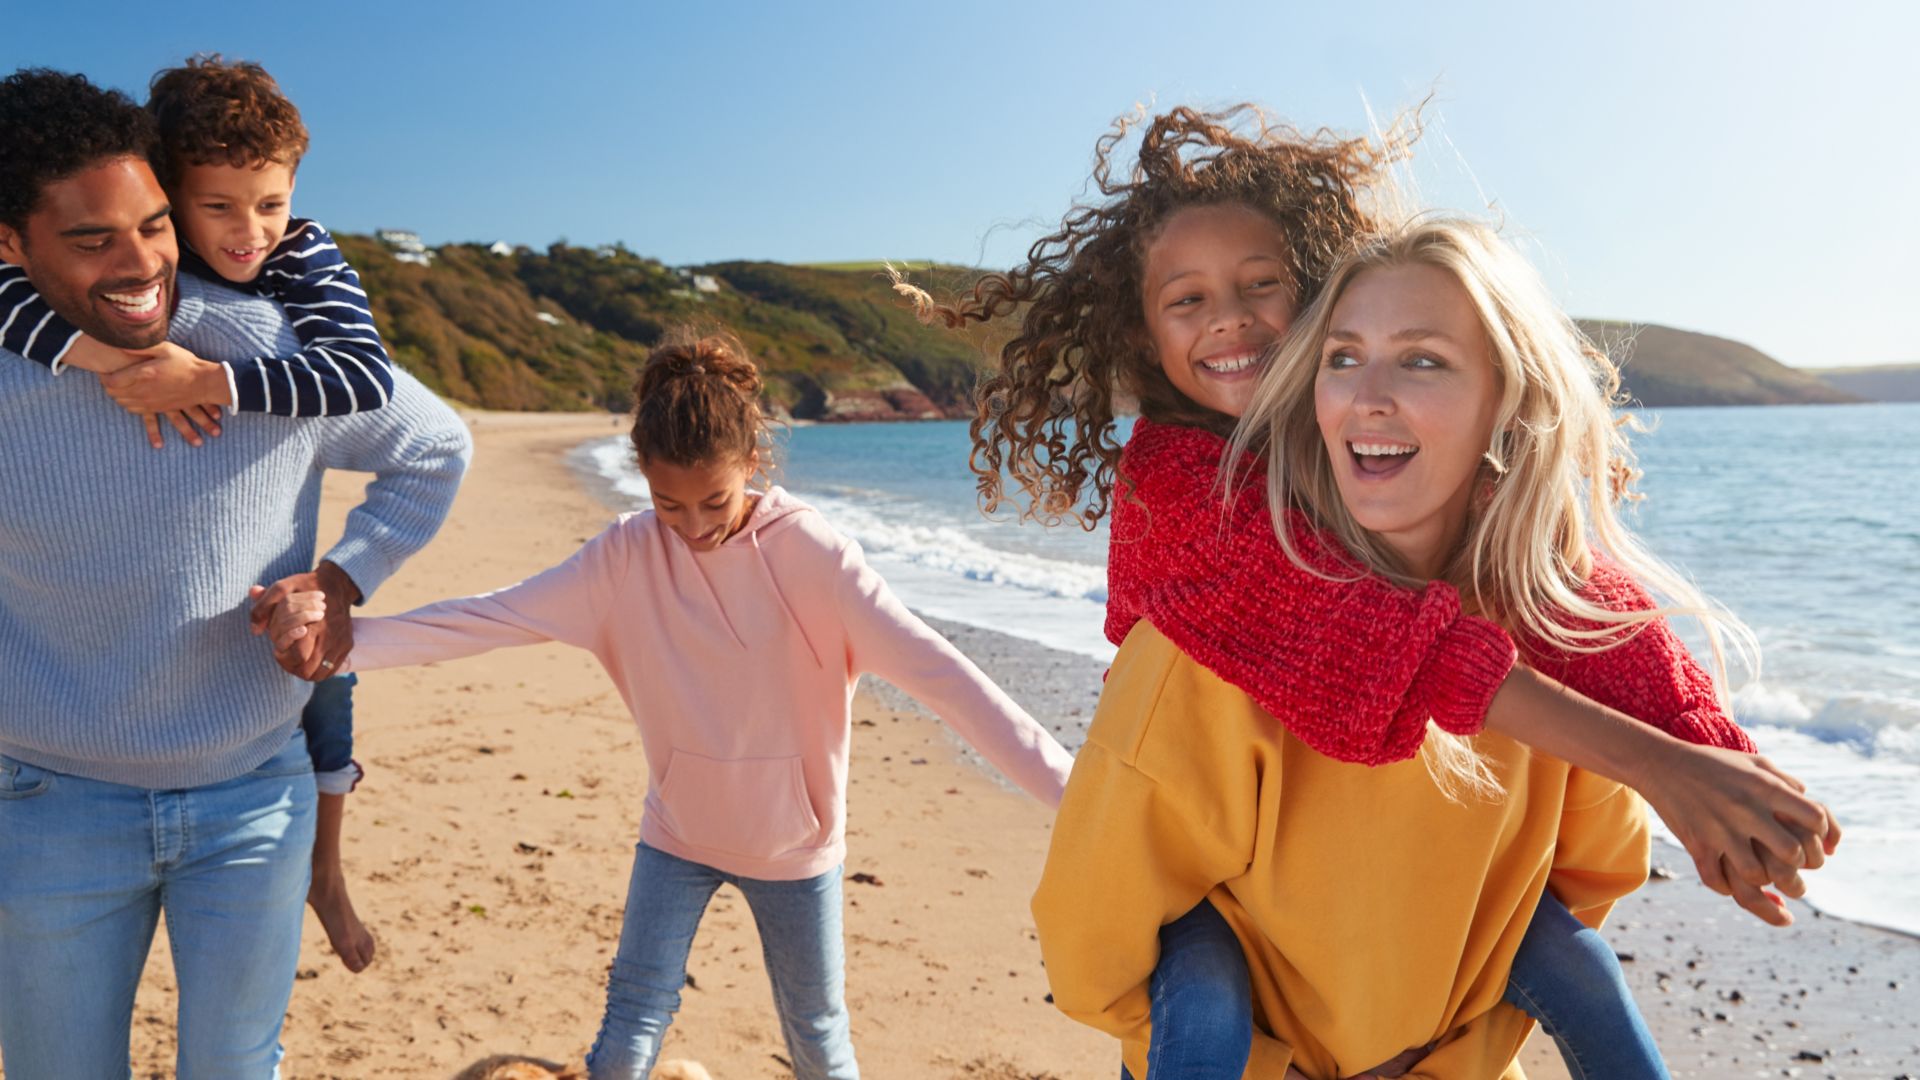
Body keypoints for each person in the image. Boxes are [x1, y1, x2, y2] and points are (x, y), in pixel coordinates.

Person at [900, 105, 1835, 1078]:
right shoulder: (1182, 489)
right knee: (1207, 1011)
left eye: (1263, 288)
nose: (1229, 319)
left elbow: (1587, 617)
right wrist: (1669, 771)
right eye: (1188, 300)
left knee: (1567, 956)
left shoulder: (1398, 493)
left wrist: (1724, 766)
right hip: (1215, 846)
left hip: (1404, 945)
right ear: (1139, 333)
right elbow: (1382, 638)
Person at [256, 327, 1077, 1080]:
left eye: (714, 503)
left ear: (754, 459)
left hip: (796, 852)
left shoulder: (817, 561)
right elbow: (488, 618)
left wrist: (1077, 798)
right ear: (642, 475)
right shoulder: (623, 559)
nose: (691, 528)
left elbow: (948, 680)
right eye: (668, 505)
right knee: (625, 1037)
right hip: (677, 835)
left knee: (820, 1038)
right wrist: (341, 647)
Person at [0, 68, 469, 1078]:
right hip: (47, 802)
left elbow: (435, 449)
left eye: (159, 225)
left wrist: (341, 580)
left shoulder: (259, 343)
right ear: (9, 246)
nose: (141, 265)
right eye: (92, 239)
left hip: (253, 793)